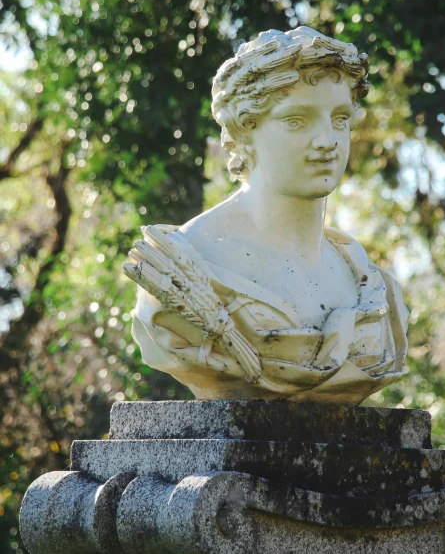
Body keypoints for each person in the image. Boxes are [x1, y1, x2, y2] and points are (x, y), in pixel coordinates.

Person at [127, 27, 408, 404]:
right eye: (297, 121)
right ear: (244, 132)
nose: (327, 141)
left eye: (340, 119)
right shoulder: (184, 267)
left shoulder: (372, 288)